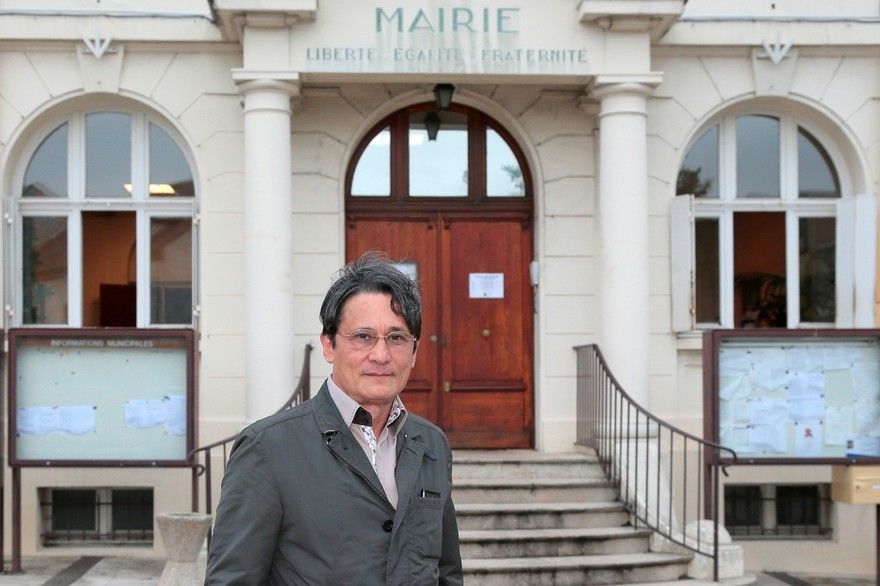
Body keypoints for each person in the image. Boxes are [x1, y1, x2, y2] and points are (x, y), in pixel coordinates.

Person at [205, 252, 463, 585]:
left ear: (414, 352)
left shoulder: (431, 444)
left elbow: (446, 573)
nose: (381, 355)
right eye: (363, 337)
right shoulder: (267, 448)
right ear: (328, 345)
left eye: (396, 338)